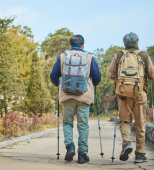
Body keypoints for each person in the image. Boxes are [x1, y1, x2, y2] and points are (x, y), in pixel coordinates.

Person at [107, 32, 154, 163]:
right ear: (137, 43)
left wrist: (120, 80)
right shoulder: (144, 56)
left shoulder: (119, 55)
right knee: (140, 124)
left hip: (123, 94)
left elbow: (110, 75)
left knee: (125, 121)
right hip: (140, 94)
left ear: (124, 43)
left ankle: (126, 144)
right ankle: (140, 154)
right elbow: (153, 76)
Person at [50, 35, 101, 164]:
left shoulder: (63, 57)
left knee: (67, 123)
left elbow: (53, 75)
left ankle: (70, 146)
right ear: (83, 45)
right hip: (84, 96)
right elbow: (97, 77)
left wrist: (59, 85)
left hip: (67, 96)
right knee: (83, 125)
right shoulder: (88, 57)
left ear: (71, 45)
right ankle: (83, 154)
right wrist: (90, 84)